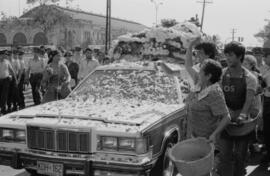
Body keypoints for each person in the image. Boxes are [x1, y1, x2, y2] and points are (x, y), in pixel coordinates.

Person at [218, 42, 258, 176]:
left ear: (240, 56)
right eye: (226, 55)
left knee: (240, 155)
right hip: (225, 119)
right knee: (224, 155)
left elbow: (249, 99)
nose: (227, 58)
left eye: (231, 55)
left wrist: (243, 114)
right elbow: (217, 96)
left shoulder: (250, 78)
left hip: (243, 121)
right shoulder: (221, 75)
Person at [260, 50, 270, 165]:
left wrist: (264, 86)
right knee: (267, 131)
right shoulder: (267, 70)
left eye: (266, 57)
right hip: (267, 101)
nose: (264, 59)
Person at [0, 50, 17, 115]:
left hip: (6, 80)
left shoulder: (7, 62)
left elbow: (12, 70)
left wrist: (15, 79)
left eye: (5, 55)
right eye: (3, 55)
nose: (5, 56)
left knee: (4, 94)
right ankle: (2, 107)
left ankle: (3, 109)